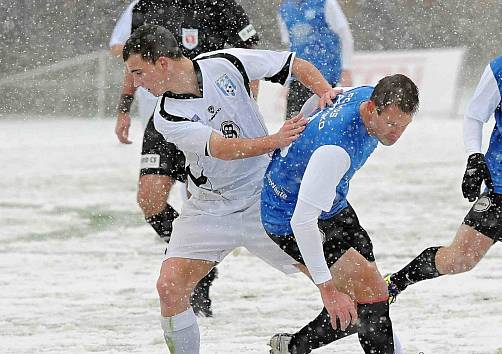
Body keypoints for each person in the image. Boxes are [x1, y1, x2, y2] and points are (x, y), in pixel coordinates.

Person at [122, 24, 340, 353]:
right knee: (170, 288)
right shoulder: (165, 115)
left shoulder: (226, 62)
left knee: (339, 283)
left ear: (163, 63)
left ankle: (384, 343)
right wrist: (276, 140)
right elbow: (223, 148)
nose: (136, 83)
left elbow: (295, 64)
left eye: (139, 72)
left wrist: (325, 93)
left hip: (265, 197)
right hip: (210, 208)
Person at [110, 0, 262, 317]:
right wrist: (124, 106)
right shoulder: (145, 7)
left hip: (212, 116)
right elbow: (131, 59)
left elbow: (249, 59)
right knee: (149, 199)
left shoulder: (221, 5)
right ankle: (180, 253)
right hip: (167, 116)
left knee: (197, 198)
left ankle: (199, 284)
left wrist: (243, 111)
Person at [261, 75, 419, 353]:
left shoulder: (366, 95)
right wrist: (328, 290)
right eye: (391, 124)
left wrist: (310, 110)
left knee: (371, 299)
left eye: (404, 126)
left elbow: (327, 95)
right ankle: (295, 347)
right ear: (372, 109)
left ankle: (293, 347)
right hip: (288, 217)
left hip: (331, 203)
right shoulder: (336, 149)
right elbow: (302, 221)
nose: (396, 134)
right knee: (370, 295)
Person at [385, 56, 502, 304]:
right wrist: (474, 157)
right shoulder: (499, 69)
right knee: (460, 259)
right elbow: (474, 116)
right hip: (500, 188)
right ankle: (395, 283)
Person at [278, 0, 354, 117]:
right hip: (299, 78)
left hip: (326, 78)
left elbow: (345, 35)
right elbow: (289, 45)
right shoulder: (284, 9)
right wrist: (288, 79)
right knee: (294, 125)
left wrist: (346, 69)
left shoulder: (326, 3)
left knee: (326, 122)